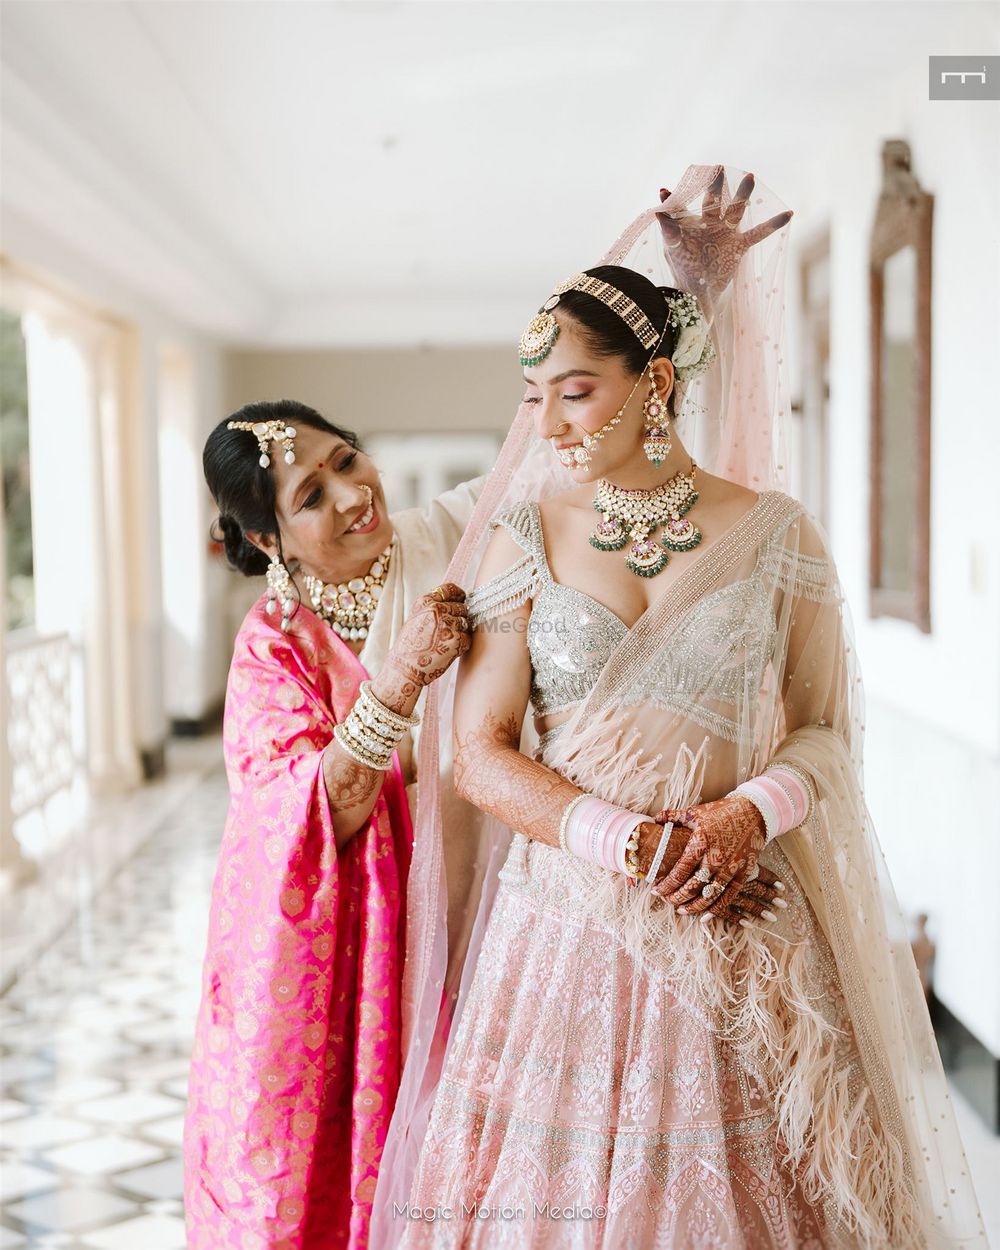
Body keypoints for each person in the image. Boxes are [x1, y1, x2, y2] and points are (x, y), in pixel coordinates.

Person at [372, 166, 987, 1248]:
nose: (547, 422)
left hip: (740, 902)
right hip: (570, 921)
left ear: (653, 382)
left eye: (575, 389)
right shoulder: (524, 536)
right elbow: (477, 750)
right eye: (536, 395)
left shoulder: (777, 532)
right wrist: (628, 843)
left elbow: (824, 734)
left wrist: (743, 813)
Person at [184, 402, 486, 1249]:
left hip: (476, 898)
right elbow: (308, 816)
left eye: (348, 460)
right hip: (354, 961)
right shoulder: (272, 649)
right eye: (312, 494)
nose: (354, 495)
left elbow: (543, 473)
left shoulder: (446, 542)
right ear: (271, 541)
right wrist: (400, 680)